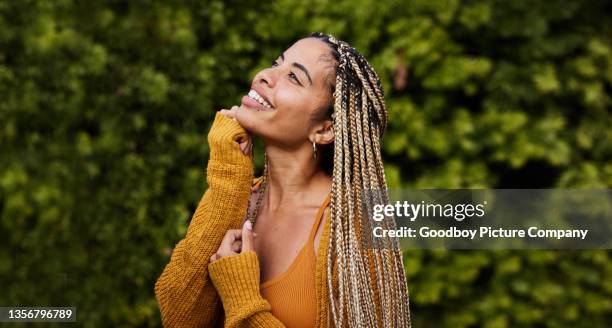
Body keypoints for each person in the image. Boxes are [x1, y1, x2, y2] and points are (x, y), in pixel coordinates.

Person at [154, 32, 411, 327]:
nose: (265, 75)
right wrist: (229, 177)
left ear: (325, 129)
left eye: (294, 77)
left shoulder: (353, 228)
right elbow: (177, 317)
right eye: (277, 63)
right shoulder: (239, 197)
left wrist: (243, 300)